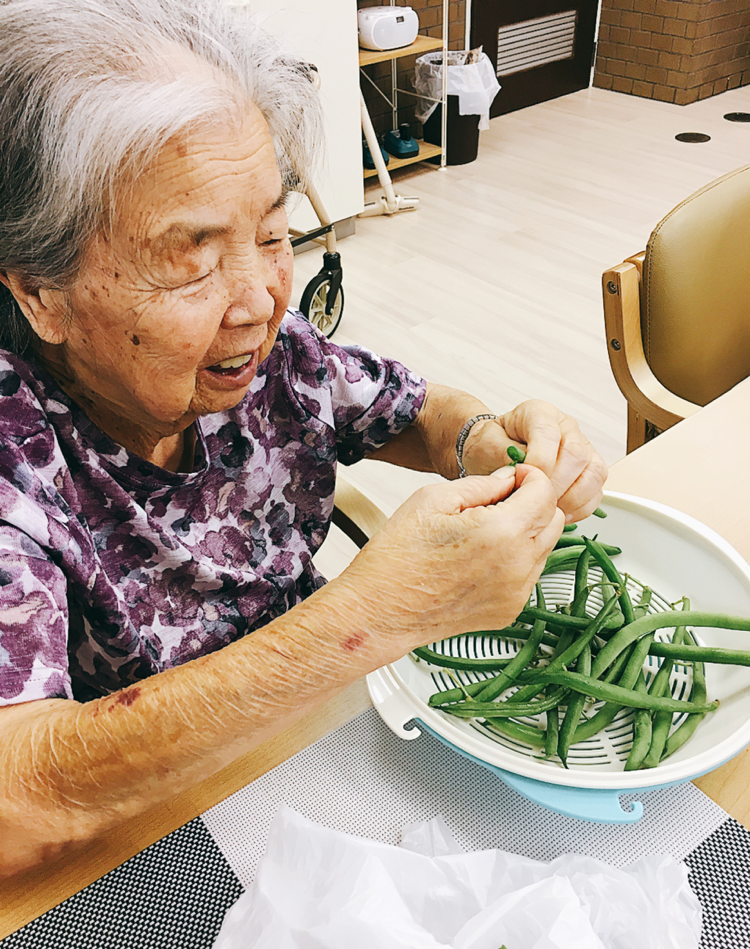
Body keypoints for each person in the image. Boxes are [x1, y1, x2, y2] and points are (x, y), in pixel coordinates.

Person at [0, 0, 606, 876]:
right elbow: (21, 804)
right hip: (157, 846)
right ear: (41, 293)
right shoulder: (20, 462)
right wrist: (378, 612)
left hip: (334, 749)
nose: (261, 303)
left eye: (275, 233)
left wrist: (493, 444)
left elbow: (421, 412)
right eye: (192, 256)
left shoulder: (270, 357)